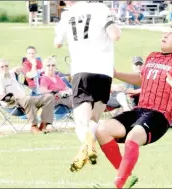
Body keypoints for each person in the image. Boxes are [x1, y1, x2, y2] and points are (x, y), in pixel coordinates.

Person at [95, 22, 172, 188]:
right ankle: (126, 177)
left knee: (132, 137)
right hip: (139, 111)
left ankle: (118, 184)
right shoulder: (152, 56)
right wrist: (116, 74)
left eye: (171, 34)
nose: (165, 35)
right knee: (101, 131)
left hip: (159, 115)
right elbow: (142, 79)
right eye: (165, 32)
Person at [54, 1, 121, 172]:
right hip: (104, 71)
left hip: (82, 70)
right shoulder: (101, 8)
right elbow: (115, 35)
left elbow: (57, 43)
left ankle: (87, 146)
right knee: (93, 121)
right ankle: (85, 149)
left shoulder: (67, 14)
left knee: (81, 123)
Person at [0, 59, 55, 134]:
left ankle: (44, 125)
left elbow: (15, 71)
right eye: (2, 67)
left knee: (49, 97)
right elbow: (0, 96)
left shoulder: (10, 74)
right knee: (28, 99)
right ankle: (34, 126)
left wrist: (17, 70)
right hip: (13, 103)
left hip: (26, 100)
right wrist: (14, 98)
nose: (4, 68)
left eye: (6, 66)